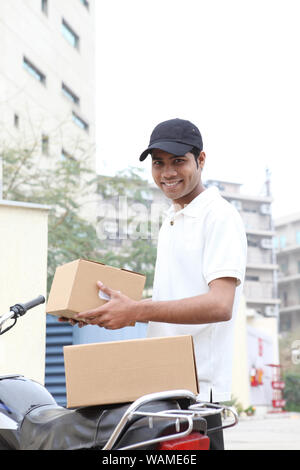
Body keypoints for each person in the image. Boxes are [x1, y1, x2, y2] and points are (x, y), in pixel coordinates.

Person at [74, 118, 248, 449]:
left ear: (201, 160)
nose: (167, 173)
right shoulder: (172, 219)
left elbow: (220, 304)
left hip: (197, 396)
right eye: (158, 163)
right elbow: (173, 300)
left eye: (178, 161)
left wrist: (137, 310)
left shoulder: (218, 216)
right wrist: (102, 310)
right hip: (163, 388)